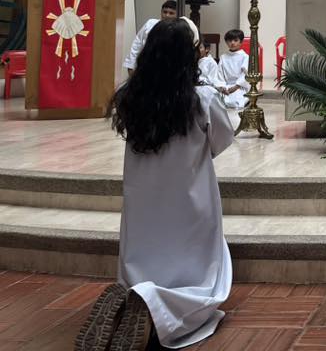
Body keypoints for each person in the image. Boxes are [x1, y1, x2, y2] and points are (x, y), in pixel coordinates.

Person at [76, 18, 233, 351]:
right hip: (189, 203)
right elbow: (222, 140)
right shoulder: (201, 99)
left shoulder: (130, 99)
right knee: (201, 285)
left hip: (143, 206)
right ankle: (154, 305)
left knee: (141, 264)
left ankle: (131, 297)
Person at [122, 0, 177, 74]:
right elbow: (137, 45)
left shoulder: (179, 30)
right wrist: (131, 66)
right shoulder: (150, 24)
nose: (167, 15)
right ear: (161, 12)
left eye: (171, 13)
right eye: (165, 12)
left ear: (177, 15)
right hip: (146, 67)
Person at [217, 29, 250, 110]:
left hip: (239, 86)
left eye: (235, 40)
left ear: (241, 42)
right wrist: (222, 87)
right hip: (226, 87)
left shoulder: (244, 56)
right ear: (226, 42)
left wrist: (236, 86)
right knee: (218, 100)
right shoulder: (223, 57)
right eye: (229, 40)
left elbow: (245, 74)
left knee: (236, 102)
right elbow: (219, 74)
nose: (232, 43)